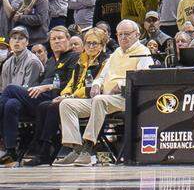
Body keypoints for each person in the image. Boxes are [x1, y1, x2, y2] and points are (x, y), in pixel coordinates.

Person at [56, 19, 153, 167]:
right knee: (67, 104)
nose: (123, 37)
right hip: (104, 99)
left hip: (125, 99)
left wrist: (121, 85)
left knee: (99, 100)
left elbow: (143, 79)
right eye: (120, 34)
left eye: (127, 34)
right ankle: (76, 148)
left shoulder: (143, 53)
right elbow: (101, 76)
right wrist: (96, 84)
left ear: (137, 34)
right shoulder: (115, 53)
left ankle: (88, 149)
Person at [21, 28, 107, 167]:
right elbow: (71, 83)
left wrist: (69, 96)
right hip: (76, 99)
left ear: (102, 46)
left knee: (57, 105)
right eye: (88, 43)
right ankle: (46, 147)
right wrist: (65, 94)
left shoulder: (104, 61)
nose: (91, 47)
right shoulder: (82, 60)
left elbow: (92, 88)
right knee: (45, 106)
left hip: (95, 99)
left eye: (95, 44)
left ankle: (47, 150)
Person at [0, 26, 74, 165]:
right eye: (53, 39)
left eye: (60, 38)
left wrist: (47, 86)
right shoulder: (52, 60)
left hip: (50, 97)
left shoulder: (73, 57)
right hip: (36, 100)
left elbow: (72, 83)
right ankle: (11, 151)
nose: (56, 41)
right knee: (10, 104)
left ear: (68, 39)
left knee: (10, 90)